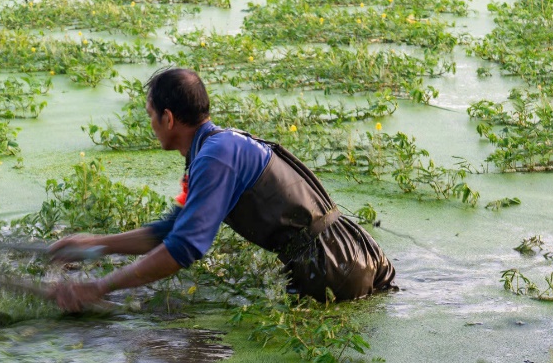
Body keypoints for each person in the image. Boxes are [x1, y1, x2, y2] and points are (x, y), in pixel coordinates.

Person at [48, 67, 394, 312]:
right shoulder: (213, 149)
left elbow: (181, 250)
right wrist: (94, 245)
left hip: (336, 267)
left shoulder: (215, 158)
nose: (151, 124)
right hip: (345, 255)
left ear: (168, 118)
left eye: (150, 115)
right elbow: (170, 231)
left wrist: (98, 287)